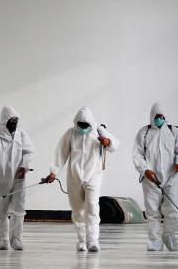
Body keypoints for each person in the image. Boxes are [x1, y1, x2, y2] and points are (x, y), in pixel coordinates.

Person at [42, 106, 120, 252]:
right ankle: (82, 241)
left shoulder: (99, 131)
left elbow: (115, 144)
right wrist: (53, 172)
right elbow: (61, 153)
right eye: (80, 125)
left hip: (94, 176)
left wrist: (107, 142)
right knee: (77, 210)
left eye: (86, 125)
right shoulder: (71, 133)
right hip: (74, 177)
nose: (83, 127)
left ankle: (93, 240)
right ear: (76, 122)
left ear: (91, 123)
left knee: (92, 206)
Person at [132, 102, 178, 251]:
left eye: (161, 116)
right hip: (151, 178)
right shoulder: (144, 132)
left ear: (165, 117)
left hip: (171, 177)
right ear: (151, 117)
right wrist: (145, 170)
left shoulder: (173, 131)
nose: (158, 119)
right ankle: (154, 241)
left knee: (174, 209)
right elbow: (137, 154)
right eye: (156, 116)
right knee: (152, 212)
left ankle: (168, 234)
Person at [0, 106, 35, 250]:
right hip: (0, 180)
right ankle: (2, 240)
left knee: (19, 209)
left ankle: (16, 239)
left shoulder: (21, 135)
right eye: (11, 120)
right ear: (4, 120)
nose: (14, 123)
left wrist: (24, 166)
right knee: (1, 211)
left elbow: (29, 151)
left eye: (16, 120)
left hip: (19, 179)